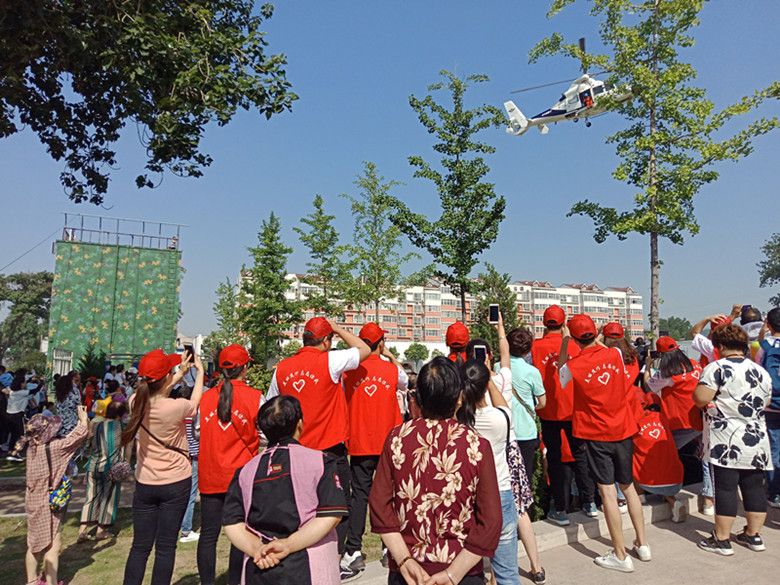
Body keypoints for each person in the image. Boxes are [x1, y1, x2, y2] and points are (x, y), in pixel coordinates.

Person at [369, 357, 501, 585]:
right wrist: (453, 574)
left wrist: (404, 560)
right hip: (462, 573)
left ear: (418, 396)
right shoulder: (476, 445)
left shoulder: (397, 439)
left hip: (408, 574)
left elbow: (380, 505)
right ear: (459, 397)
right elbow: (491, 520)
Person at [267, 317, 370, 558]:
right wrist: (338, 328)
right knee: (337, 508)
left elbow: (270, 407)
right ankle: (332, 558)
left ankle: (301, 554)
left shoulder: (282, 368)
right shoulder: (330, 360)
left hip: (295, 452)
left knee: (301, 508)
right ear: (326, 341)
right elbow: (364, 349)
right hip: (329, 450)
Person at [223, 395, 347, 584]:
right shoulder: (321, 462)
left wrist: (256, 548)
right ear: (300, 424)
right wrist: (288, 545)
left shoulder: (245, 471)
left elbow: (232, 522)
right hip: (309, 565)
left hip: (260, 566)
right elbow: (331, 514)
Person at [558, 314, 648, 572]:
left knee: (608, 492)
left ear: (574, 338)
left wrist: (565, 342)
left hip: (596, 434)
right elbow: (602, 346)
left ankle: (620, 555)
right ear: (595, 333)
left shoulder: (574, 365)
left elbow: (561, 373)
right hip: (623, 428)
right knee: (628, 488)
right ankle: (642, 544)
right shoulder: (615, 355)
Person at [458, 358, 544, 585]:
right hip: (500, 492)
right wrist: (489, 380)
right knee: (507, 572)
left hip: (468, 495)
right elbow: (503, 405)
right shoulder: (501, 419)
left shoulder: (459, 422)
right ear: (485, 385)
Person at [121, 348, 204, 585]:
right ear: (166, 377)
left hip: (146, 481)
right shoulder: (177, 407)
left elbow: (155, 389)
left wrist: (178, 373)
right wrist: (198, 373)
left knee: (140, 547)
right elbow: (195, 401)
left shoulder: (135, 402)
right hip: (176, 482)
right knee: (166, 547)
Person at [694, 324, 773, 556]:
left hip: (726, 438)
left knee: (726, 489)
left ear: (719, 346)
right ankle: (753, 535)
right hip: (756, 436)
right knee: (754, 487)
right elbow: (766, 401)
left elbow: (701, 397)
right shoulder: (760, 371)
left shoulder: (716, 368)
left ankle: (721, 539)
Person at [341, 323, 407, 581]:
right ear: (381, 343)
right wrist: (389, 356)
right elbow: (404, 381)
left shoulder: (349, 371)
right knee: (389, 495)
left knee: (359, 495)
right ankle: (388, 547)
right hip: (388, 442)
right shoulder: (391, 370)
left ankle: (353, 550)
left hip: (360, 442)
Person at [198, 344, 263, 585]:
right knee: (241, 534)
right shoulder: (255, 397)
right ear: (245, 368)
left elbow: (198, 432)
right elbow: (265, 433)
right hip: (241, 475)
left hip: (210, 473)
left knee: (208, 535)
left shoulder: (205, 398)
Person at [531, 305, 596, 524]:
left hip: (547, 411)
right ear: (563, 322)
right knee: (580, 456)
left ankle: (560, 509)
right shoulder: (576, 346)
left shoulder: (535, 347)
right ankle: (590, 502)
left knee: (555, 459)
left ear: (544, 323)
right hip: (572, 410)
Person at [18, 406, 89, 585]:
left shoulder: (32, 447)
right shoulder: (55, 447)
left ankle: (32, 581)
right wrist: (83, 419)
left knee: (34, 545)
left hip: (33, 501)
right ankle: (52, 582)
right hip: (48, 503)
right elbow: (78, 436)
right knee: (53, 546)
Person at [631, 389, 687, 523]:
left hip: (647, 483)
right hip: (677, 481)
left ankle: (640, 496)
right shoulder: (663, 419)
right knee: (664, 460)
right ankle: (673, 501)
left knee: (632, 456)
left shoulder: (635, 422)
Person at [78, 400, 129, 542]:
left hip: (93, 466)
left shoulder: (95, 425)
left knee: (90, 497)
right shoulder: (121, 426)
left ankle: (82, 530)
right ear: (120, 414)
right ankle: (101, 530)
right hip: (111, 468)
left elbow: (88, 444)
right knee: (108, 498)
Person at [506, 326, 546, 481]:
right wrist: (531, 408)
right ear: (528, 349)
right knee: (526, 475)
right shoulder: (532, 372)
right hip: (526, 431)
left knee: (507, 476)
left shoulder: (498, 367)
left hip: (506, 429)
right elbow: (543, 402)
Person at [757, 307, 780, 507]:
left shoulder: (763, 346)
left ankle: (774, 493)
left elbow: (758, 373)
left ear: (769, 325)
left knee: (774, 449)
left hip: (771, 406)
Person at [179, 387, 201, 543]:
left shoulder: (177, 416)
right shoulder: (193, 416)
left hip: (180, 458)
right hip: (193, 457)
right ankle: (186, 530)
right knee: (191, 494)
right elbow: (197, 436)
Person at [4, 369, 31, 461]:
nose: (25, 384)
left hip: (9, 415)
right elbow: (35, 390)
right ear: (21, 384)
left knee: (13, 434)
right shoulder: (22, 393)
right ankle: (15, 453)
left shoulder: (12, 391)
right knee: (22, 435)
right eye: (24, 382)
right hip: (18, 415)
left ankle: (10, 452)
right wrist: (42, 383)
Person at [54, 370, 81, 437]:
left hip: (59, 424)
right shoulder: (74, 390)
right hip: (71, 423)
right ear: (74, 378)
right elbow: (79, 406)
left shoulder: (60, 392)